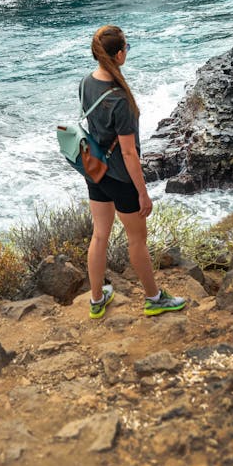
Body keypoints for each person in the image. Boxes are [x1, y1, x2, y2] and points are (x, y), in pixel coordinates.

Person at [80, 25, 186, 320]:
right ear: (119, 54)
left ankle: (96, 299)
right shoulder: (120, 100)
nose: (128, 51)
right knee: (137, 240)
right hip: (120, 179)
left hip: (95, 170)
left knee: (99, 235)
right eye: (127, 47)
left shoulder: (86, 82)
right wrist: (142, 193)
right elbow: (128, 153)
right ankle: (154, 299)